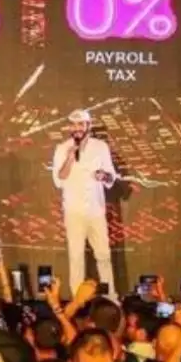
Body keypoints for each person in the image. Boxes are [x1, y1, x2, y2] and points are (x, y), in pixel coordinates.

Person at [51, 109, 117, 297]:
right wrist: (70, 158)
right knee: (76, 257)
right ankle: (78, 300)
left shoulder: (100, 147)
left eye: (81, 124)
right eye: (73, 125)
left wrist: (103, 175)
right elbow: (59, 180)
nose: (77, 128)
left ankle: (110, 297)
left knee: (103, 255)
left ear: (88, 125)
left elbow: (111, 178)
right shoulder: (62, 149)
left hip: (96, 210)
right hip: (74, 212)